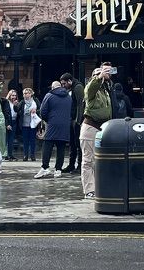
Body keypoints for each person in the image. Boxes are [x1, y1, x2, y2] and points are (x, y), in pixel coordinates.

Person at [80, 63, 114, 198]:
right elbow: (91, 88)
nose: (103, 76)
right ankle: (89, 190)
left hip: (103, 128)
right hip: (91, 127)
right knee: (88, 161)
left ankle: (100, 187)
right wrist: (99, 77)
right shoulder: (91, 90)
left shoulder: (105, 91)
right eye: (99, 74)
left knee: (101, 160)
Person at [35, 80, 73, 179]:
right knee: (61, 147)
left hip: (52, 124)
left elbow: (43, 111)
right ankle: (58, 170)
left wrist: (48, 120)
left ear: (52, 87)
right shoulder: (69, 97)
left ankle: (45, 167)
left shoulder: (49, 96)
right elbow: (72, 111)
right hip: (65, 125)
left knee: (47, 144)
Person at [60, 73, 84, 174]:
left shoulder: (78, 87)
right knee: (72, 143)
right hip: (72, 119)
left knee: (78, 144)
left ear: (70, 81)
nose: (63, 86)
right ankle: (71, 164)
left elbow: (80, 105)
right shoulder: (71, 89)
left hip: (76, 121)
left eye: (64, 83)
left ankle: (79, 165)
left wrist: (78, 121)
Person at [16, 88, 38, 161]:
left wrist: (35, 111)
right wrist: (15, 106)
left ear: (31, 94)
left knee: (33, 140)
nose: (25, 95)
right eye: (24, 94)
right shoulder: (22, 102)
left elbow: (40, 109)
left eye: (26, 93)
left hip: (33, 124)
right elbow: (17, 110)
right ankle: (25, 155)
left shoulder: (35, 101)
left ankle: (32, 155)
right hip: (24, 124)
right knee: (25, 141)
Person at [4, 88, 19, 161]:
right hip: (8, 121)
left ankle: (10, 154)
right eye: (12, 95)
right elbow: (5, 114)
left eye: (15, 95)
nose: (14, 97)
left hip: (14, 121)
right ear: (9, 95)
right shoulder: (6, 102)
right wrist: (7, 124)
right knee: (6, 139)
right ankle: (6, 155)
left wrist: (16, 106)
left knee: (11, 139)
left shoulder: (16, 103)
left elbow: (17, 112)